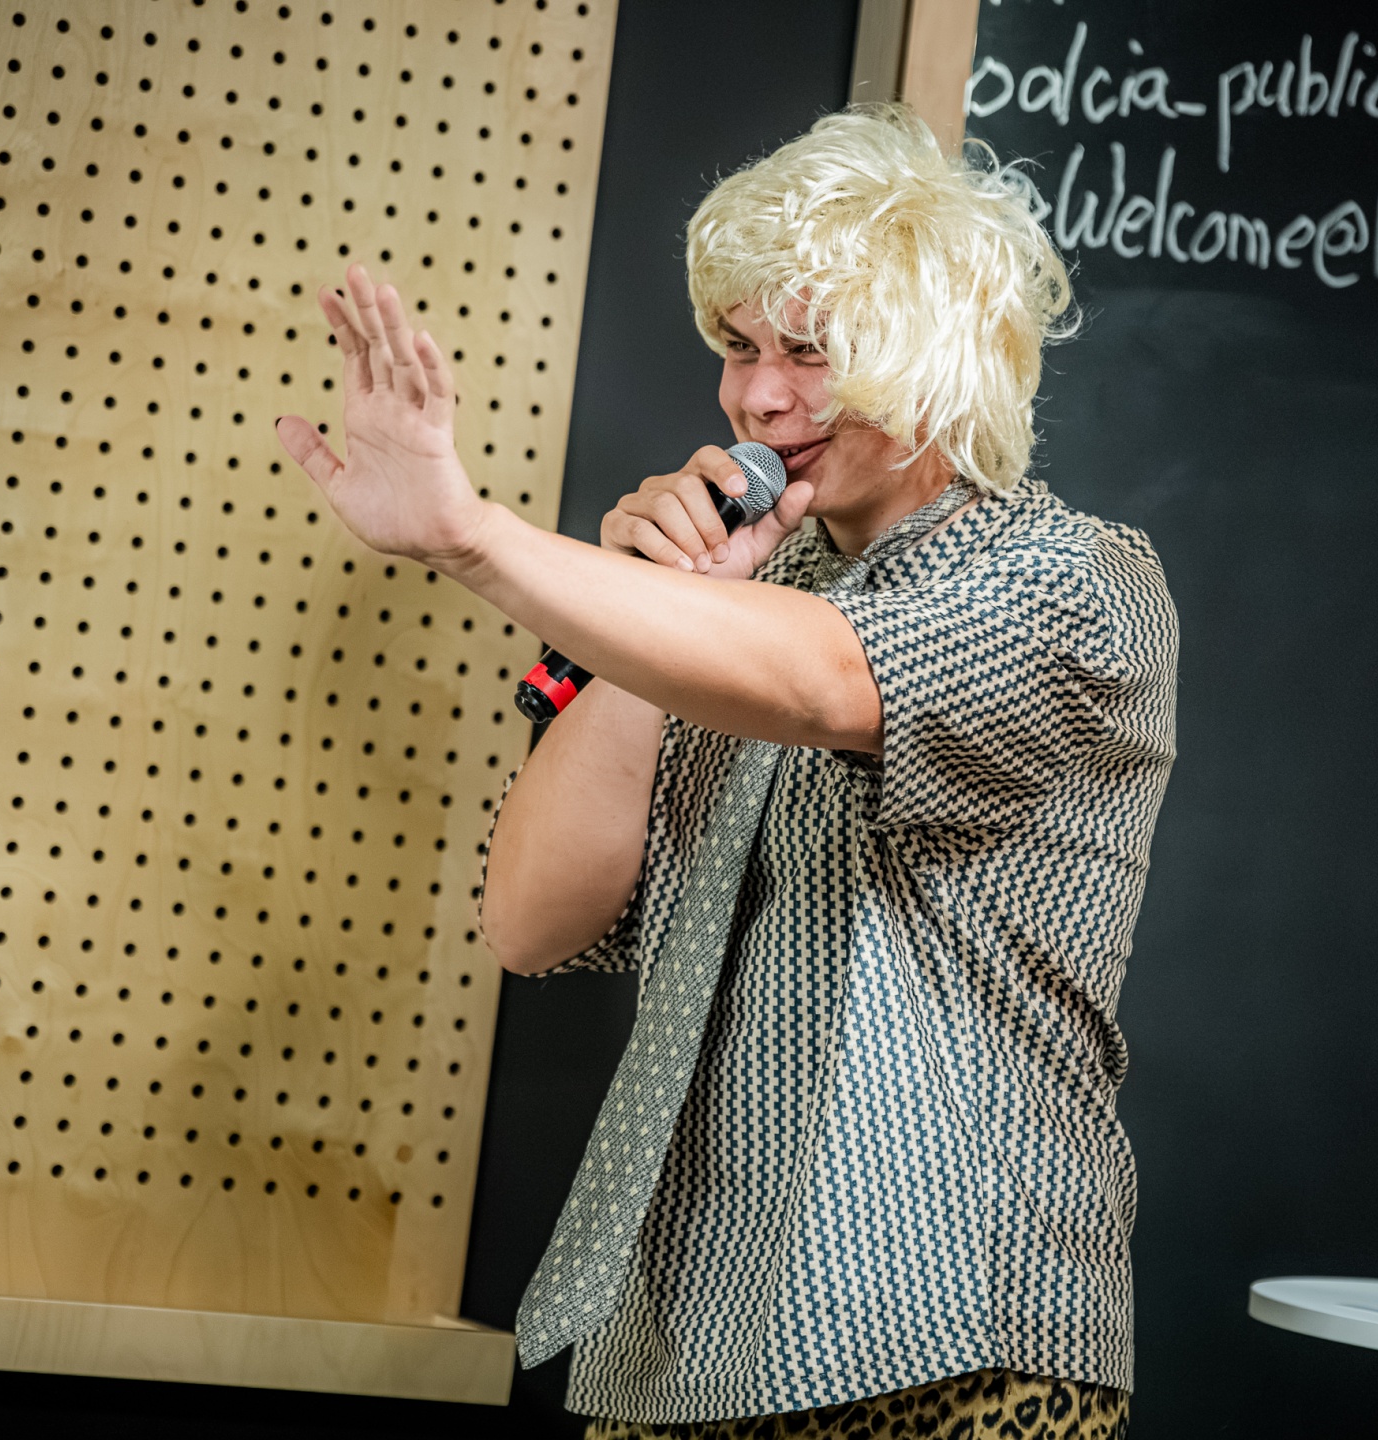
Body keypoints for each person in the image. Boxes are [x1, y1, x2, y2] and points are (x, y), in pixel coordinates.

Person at [277, 104, 1176, 1440]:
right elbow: (531, 923)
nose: (758, 397)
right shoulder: (718, 607)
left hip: (952, 1332)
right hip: (683, 1336)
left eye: (813, 351)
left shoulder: (1076, 581)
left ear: (938, 359)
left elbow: (823, 681)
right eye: (741, 347)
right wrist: (651, 614)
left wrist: (472, 539)